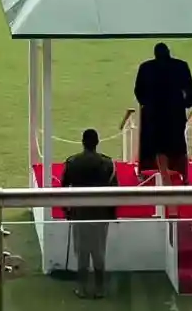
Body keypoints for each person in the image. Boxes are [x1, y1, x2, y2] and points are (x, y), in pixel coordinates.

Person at [60, 128, 117, 300]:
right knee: (99, 252)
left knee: (82, 252)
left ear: (83, 142)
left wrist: (67, 211)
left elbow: (63, 189)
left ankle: (82, 288)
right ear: (97, 142)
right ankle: (99, 289)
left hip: (80, 213)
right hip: (100, 214)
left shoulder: (72, 163)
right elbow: (115, 192)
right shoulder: (108, 164)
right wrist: (112, 214)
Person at [133, 43, 192, 181]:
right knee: (179, 145)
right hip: (175, 113)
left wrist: (146, 104)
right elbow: (190, 89)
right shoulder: (181, 66)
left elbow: (138, 91)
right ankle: (185, 177)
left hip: (154, 114)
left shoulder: (146, 68)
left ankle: (165, 178)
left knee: (159, 146)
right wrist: (186, 104)